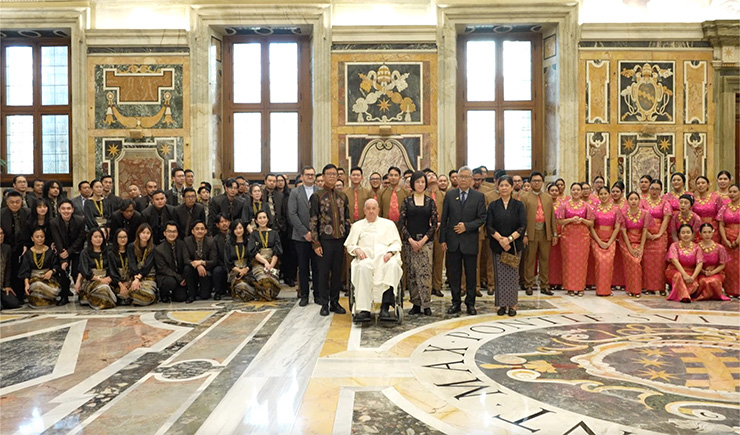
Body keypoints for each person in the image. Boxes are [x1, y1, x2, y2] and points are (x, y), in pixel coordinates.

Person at [344, 199, 403, 321]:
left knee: (392, 266)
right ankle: (364, 309)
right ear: (364, 211)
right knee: (362, 268)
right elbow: (350, 245)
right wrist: (357, 250)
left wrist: (390, 252)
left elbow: (397, 242)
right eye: (368, 209)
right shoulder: (357, 226)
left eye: (373, 208)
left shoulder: (389, 224)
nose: (371, 211)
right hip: (366, 257)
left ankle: (385, 307)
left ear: (378, 210)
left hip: (384, 257)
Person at [439, 166, 486, 315]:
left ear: (472, 180)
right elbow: (444, 218)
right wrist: (442, 239)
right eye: (461, 177)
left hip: (470, 241)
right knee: (454, 274)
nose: (464, 179)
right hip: (453, 242)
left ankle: (470, 304)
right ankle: (455, 303)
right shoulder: (450, 195)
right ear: (457, 179)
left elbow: (482, 218)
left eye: (467, 177)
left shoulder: (478, 197)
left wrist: (467, 226)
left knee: (471, 274)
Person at [310, 164, 351, 317]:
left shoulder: (342, 196)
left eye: (334, 174)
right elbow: (313, 221)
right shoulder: (317, 196)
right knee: (323, 273)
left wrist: (348, 241)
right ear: (324, 176)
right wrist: (316, 243)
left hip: (339, 240)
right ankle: (324, 303)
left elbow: (346, 220)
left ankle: (335, 302)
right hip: (324, 240)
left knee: (337, 273)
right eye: (329, 174)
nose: (332, 176)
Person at [486, 176, 527, 317]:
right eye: (501, 185)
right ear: (497, 187)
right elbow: (489, 226)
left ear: (511, 187)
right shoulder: (493, 205)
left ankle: (513, 305)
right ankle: (502, 305)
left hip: (514, 246)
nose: (503, 188)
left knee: (512, 276)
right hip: (498, 246)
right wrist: (500, 240)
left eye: (506, 185)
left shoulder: (518, 205)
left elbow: (523, 226)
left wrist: (509, 239)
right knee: (500, 277)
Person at [400, 172, 437, 316]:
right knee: (412, 273)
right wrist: (410, 240)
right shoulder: (406, 201)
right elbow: (402, 224)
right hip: (410, 242)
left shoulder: (430, 202)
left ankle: (426, 304)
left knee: (425, 273)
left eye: (423, 182)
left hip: (426, 243)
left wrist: (422, 241)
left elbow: (434, 225)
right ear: (413, 184)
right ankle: (415, 303)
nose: (420, 184)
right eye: (418, 182)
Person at [520, 172, 557, 296]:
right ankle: (529, 284)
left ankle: (545, 285)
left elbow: (552, 217)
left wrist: (554, 233)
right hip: (531, 232)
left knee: (544, 259)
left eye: (539, 181)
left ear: (542, 182)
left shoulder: (547, 197)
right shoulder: (524, 197)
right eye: (534, 181)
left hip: (545, 231)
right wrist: (524, 234)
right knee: (530, 259)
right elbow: (522, 217)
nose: (537, 183)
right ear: (530, 182)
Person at [289, 166, 320, 307]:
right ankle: (304, 295)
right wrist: (305, 232)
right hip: (300, 237)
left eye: (312, 175)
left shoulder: (319, 192)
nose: (310, 177)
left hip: (317, 237)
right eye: (307, 174)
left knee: (318, 267)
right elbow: (292, 214)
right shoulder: (295, 192)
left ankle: (318, 295)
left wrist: (314, 234)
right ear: (302, 176)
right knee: (303, 267)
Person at [557, 182, 594, 297]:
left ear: (581, 191)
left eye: (578, 189)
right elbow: (560, 221)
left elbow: (591, 222)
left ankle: (580, 287)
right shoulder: (564, 205)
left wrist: (582, 220)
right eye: (574, 189)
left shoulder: (587, 206)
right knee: (569, 261)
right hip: (568, 237)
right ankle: (570, 287)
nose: (576, 192)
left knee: (582, 262)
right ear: (571, 191)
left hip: (582, 238)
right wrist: (570, 220)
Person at [641, 180, 672, 295]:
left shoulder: (665, 203)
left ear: (661, 190)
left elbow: (666, 218)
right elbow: (640, 217)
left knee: (660, 262)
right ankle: (648, 287)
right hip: (646, 234)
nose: (654, 191)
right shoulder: (643, 202)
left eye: (657, 189)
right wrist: (647, 233)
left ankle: (661, 287)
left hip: (660, 235)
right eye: (652, 188)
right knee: (647, 261)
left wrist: (659, 233)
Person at [619, 191, 653, 298]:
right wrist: (629, 248)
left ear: (639, 201)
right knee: (631, 262)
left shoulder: (645, 214)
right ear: (627, 201)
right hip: (626, 242)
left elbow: (645, 231)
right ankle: (630, 288)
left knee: (636, 262)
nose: (633, 201)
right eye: (631, 199)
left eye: (635, 199)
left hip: (640, 242)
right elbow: (623, 232)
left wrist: (641, 247)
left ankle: (637, 289)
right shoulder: (623, 214)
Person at [589, 186, 621, 297]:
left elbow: (617, 227)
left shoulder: (616, 209)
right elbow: (591, 227)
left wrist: (609, 242)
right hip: (597, 239)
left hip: (610, 240)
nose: (603, 196)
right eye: (601, 194)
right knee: (600, 263)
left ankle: (607, 289)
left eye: (605, 194)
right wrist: (598, 241)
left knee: (608, 264)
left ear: (609, 195)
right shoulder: (593, 209)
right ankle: (600, 289)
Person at [20, 227, 61, 308]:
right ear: (32, 238)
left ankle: (47, 297)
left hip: (48, 279)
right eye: (37, 237)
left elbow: (56, 266)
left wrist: (51, 271)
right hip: (34, 279)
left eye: (42, 237)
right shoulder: (28, 254)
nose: (40, 239)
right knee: (37, 286)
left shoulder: (50, 252)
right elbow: (25, 271)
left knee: (54, 290)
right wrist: (26, 284)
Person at [76, 228, 117, 309]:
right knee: (103, 288)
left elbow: (112, 268)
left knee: (106, 288)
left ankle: (99, 298)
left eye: (100, 237)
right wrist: (100, 280)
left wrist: (109, 278)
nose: (98, 239)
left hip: (106, 279)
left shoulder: (108, 252)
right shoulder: (85, 252)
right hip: (91, 280)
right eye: (95, 237)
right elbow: (84, 270)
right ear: (90, 238)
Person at [247, 210, 282, 300]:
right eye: (260, 218)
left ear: (268, 219)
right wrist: (265, 262)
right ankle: (262, 293)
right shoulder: (253, 234)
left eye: (264, 217)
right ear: (256, 220)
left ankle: (266, 294)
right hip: (258, 262)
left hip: (272, 262)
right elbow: (253, 251)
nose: (262, 220)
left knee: (271, 281)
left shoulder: (274, 233)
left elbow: (277, 251)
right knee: (263, 279)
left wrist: (271, 266)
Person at [1, 191, 30, 301]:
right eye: (12, 202)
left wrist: (26, 244)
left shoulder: (27, 213)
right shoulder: (1, 214)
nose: (15, 204)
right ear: (7, 203)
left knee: (21, 268)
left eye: (17, 202)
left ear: (21, 202)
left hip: (23, 246)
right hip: (6, 246)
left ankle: (21, 293)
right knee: (9, 268)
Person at [666, 224, 704, 303]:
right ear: (679, 235)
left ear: (692, 234)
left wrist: (693, 277)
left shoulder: (697, 247)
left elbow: (699, 263)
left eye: (688, 232)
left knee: (694, 285)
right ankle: (685, 297)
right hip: (675, 270)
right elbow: (674, 261)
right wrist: (684, 274)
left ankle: (679, 294)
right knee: (678, 276)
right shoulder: (674, 246)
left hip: (691, 273)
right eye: (683, 233)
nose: (686, 235)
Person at [184, 221, 217, 302]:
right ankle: (191, 295)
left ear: (205, 231)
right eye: (197, 229)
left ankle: (201, 290)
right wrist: (197, 265)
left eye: (202, 229)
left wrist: (202, 263)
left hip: (205, 271)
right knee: (187, 268)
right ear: (193, 231)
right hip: (193, 269)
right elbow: (185, 259)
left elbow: (214, 261)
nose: (200, 231)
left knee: (205, 296)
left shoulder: (211, 242)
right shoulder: (187, 241)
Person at [155, 221, 188, 303]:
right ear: (164, 233)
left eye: (174, 231)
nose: (172, 234)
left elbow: (186, 260)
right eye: (169, 231)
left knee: (181, 298)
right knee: (170, 282)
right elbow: (163, 269)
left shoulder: (182, 244)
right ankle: (163, 295)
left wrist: (183, 277)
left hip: (180, 276)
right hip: (166, 276)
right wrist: (178, 278)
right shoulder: (159, 249)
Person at [695, 223, 730, 301]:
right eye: (704, 232)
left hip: (716, 272)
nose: (707, 234)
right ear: (700, 233)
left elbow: (722, 264)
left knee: (714, 281)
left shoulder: (720, 248)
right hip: (701, 273)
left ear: (713, 233)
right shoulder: (696, 247)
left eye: (709, 232)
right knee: (703, 281)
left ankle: (714, 296)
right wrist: (703, 271)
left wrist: (713, 272)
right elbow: (694, 264)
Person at [717, 184, 740, 298]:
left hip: (738, 237)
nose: (732, 194)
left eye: (735, 191)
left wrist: (738, 239)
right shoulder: (724, 207)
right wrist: (725, 239)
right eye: (730, 191)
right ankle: (729, 290)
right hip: (726, 238)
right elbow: (721, 224)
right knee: (728, 265)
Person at [426, 170, 446, 297]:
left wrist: (440, 223)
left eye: (434, 175)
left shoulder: (444, 195)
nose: (431, 177)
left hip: (440, 229)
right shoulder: (422, 195)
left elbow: (448, 212)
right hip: (426, 230)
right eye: (428, 176)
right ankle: (427, 286)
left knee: (439, 260)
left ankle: (437, 286)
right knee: (427, 259)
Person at [225, 220, 256, 301]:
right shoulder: (228, 244)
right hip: (235, 271)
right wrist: (239, 271)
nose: (238, 231)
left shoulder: (249, 242)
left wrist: (246, 270)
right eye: (235, 229)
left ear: (244, 229)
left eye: (240, 228)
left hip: (248, 271)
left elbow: (252, 259)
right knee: (241, 286)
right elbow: (228, 262)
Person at [128, 224, 157, 306]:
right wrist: (136, 278)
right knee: (130, 291)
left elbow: (148, 265)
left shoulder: (153, 248)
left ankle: (141, 298)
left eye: (148, 233)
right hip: (134, 277)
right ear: (138, 233)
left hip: (148, 276)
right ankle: (138, 298)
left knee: (147, 294)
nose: (145, 235)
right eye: (143, 232)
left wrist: (138, 278)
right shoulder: (131, 246)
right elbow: (132, 263)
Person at [692, 176, 722, 242]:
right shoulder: (694, 200)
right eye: (698, 183)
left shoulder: (716, 198)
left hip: (713, 228)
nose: (700, 185)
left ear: (708, 185)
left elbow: (721, 216)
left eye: (703, 183)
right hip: (699, 228)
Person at [547, 183, 564, 290]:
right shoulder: (546, 203)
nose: (554, 192)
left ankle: (559, 281)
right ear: (548, 192)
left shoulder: (563, 204)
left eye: (556, 190)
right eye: (552, 190)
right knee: (549, 258)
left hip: (561, 233)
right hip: (548, 233)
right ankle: (549, 281)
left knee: (559, 258)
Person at [210, 214, 231, 300]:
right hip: (222, 266)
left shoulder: (234, 236)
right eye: (221, 222)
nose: (224, 224)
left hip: (235, 265)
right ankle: (218, 292)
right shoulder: (215, 239)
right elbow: (215, 257)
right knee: (217, 270)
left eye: (226, 221)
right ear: (217, 225)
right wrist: (225, 266)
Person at [108, 228, 132, 304]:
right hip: (117, 282)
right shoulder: (111, 253)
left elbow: (134, 268)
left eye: (125, 237)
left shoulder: (131, 251)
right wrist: (121, 285)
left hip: (129, 281)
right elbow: (112, 272)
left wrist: (129, 282)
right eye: (120, 237)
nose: (123, 239)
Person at [1, 228, 20, 309]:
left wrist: (7, 285)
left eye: (1, 233)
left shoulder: (6, 248)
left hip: (1, 285)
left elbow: (8, 268)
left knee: (14, 303)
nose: (0, 236)